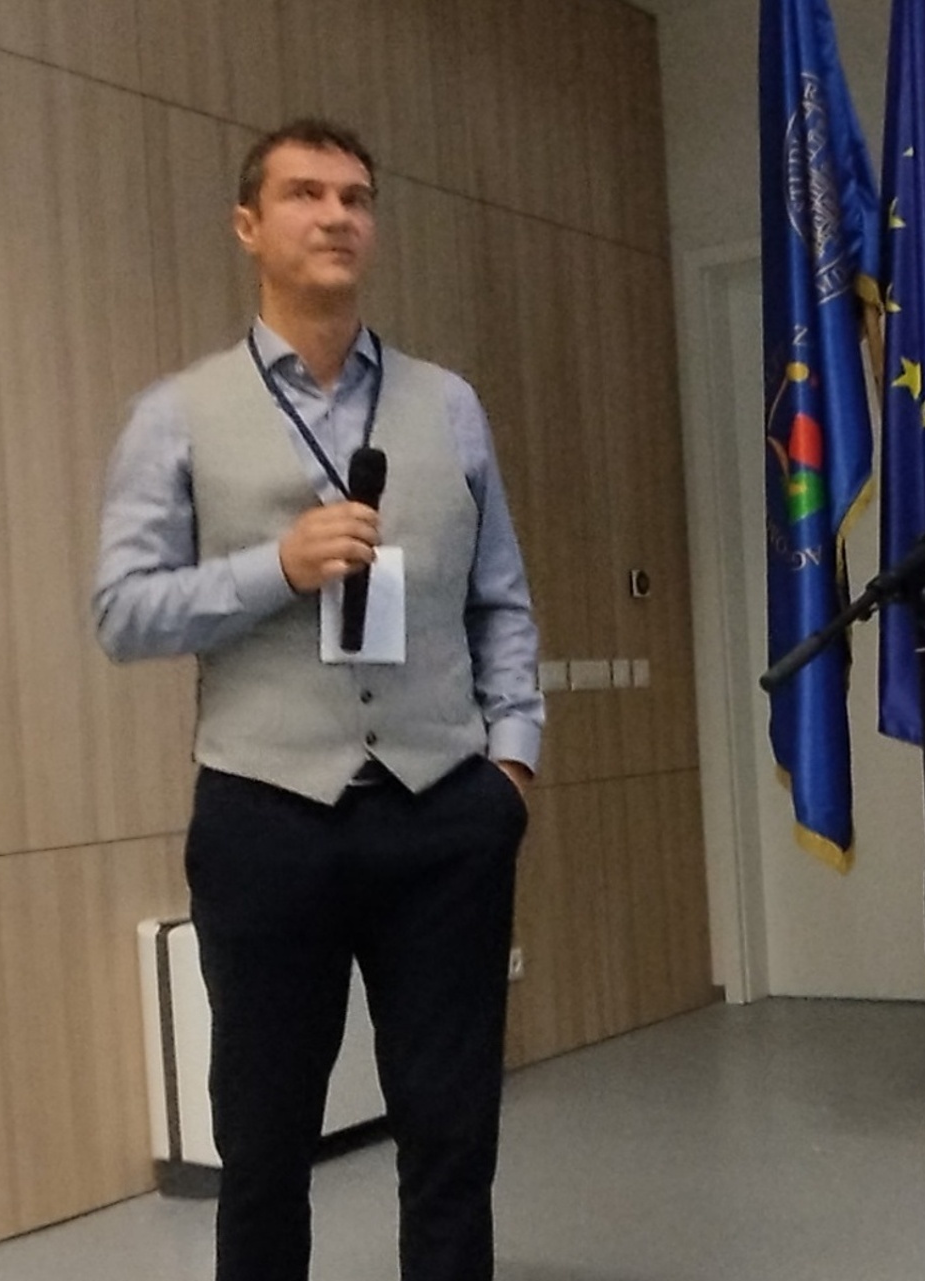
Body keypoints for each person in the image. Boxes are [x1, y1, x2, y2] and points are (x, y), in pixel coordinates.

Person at [92, 118, 543, 1281]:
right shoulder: (177, 413)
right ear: (249, 226)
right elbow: (123, 612)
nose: (337, 215)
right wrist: (276, 570)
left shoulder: (449, 405)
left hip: (445, 813)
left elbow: (500, 599)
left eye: (356, 197)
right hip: (266, 817)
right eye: (305, 194)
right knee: (264, 1146)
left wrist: (512, 766)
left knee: (453, 1139)